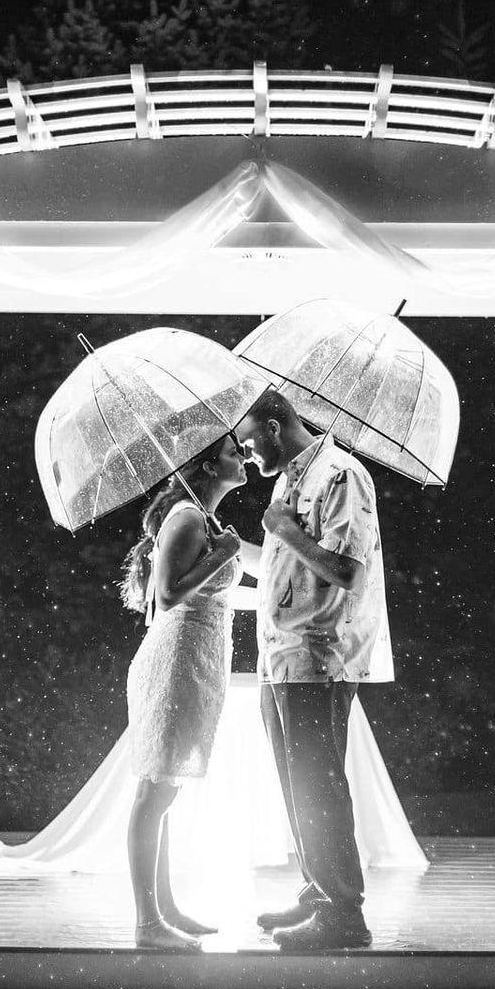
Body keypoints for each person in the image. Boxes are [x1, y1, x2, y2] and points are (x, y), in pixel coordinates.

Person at [231, 389, 392, 951]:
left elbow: (348, 569)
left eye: (248, 441)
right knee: (294, 780)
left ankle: (344, 913)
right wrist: (234, 548)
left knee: (317, 782)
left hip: (317, 654)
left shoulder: (341, 474)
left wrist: (286, 531)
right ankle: (317, 892)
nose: (246, 455)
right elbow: (284, 564)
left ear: (273, 427)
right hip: (280, 653)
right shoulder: (289, 480)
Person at [116, 434, 247, 950]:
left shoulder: (202, 519)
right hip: (173, 665)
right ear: (210, 463)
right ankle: (147, 924)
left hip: (194, 663)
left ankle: (165, 908)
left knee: (164, 791)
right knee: (155, 792)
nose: (244, 459)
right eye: (236, 452)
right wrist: (226, 555)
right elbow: (167, 595)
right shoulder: (190, 519)